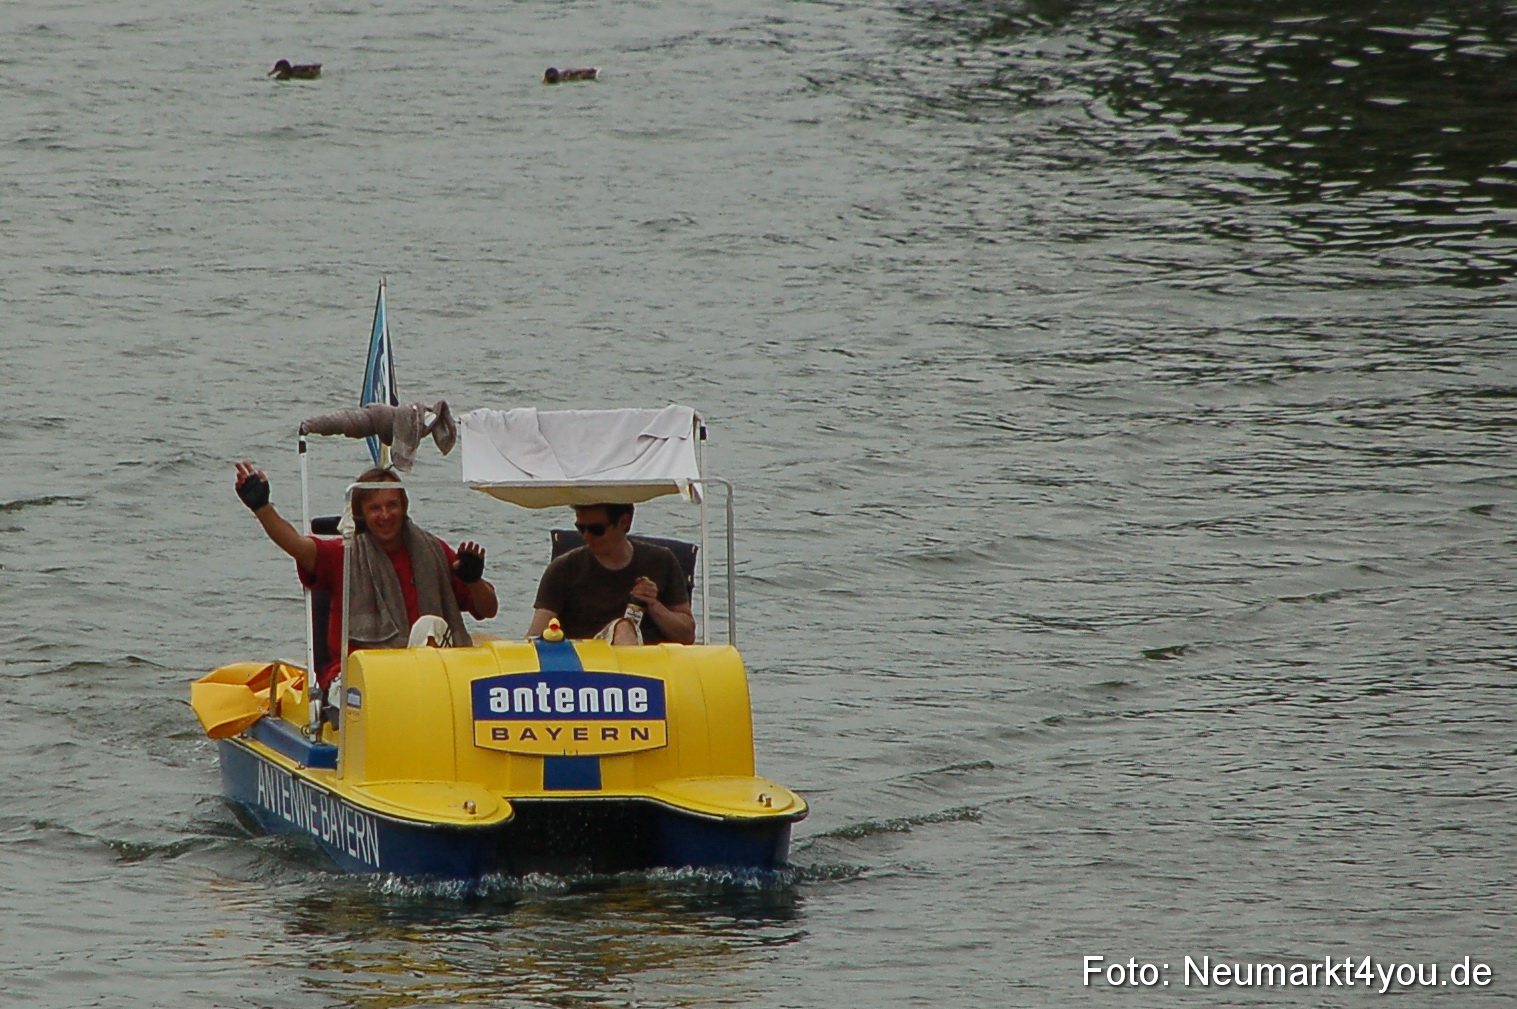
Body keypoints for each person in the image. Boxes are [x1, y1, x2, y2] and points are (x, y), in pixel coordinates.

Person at [234, 461, 498, 690]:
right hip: (359, 678)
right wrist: (262, 508)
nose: (385, 515)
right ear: (361, 514)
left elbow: (488, 609)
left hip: (432, 676)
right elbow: (297, 546)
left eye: (392, 505)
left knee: (431, 628)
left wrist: (474, 581)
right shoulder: (344, 554)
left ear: (404, 506)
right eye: (375, 508)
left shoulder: (434, 551)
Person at [527, 503, 694, 645]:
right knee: (623, 628)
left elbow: (687, 635)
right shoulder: (563, 569)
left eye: (596, 529)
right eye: (581, 528)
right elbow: (535, 635)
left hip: (647, 660)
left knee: (624, 628)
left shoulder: (661, 561)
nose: (586, 536)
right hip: (586, 658)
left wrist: (654, 605)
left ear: (624, 522)